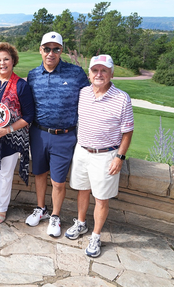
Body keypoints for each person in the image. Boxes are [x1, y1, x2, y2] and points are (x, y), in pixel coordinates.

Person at [65, 55, 133, 257]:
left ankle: (95, 235)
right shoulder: (84, 93)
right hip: (82, 150)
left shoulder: (122, 98)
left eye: (104, 70)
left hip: (106, 155)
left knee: (101, 198)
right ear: (89, 73)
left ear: (112, 73)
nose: (99, 74)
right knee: (82, 190)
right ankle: (81, 223)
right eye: (95, 70)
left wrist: (119, 157)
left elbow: (127, 133)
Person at [25, 32, 89, 237]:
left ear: (61, 50)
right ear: (40, 50)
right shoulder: (33, 74)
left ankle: (55, 215)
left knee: (59, 181)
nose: (51, 53)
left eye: (56, 49)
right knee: (39, 173)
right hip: (38, 133)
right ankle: (41, 208)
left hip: (65, 135)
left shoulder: (76, 73)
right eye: (47, 49)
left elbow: (90, 101)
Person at [0, 43, 35, 224]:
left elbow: (29, 116)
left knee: (5, 174)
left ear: (13, 61)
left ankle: (2, 208)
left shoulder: (21, 85)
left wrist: (8, 129)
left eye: (6, 59)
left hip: (12, 137)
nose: (2, 63)